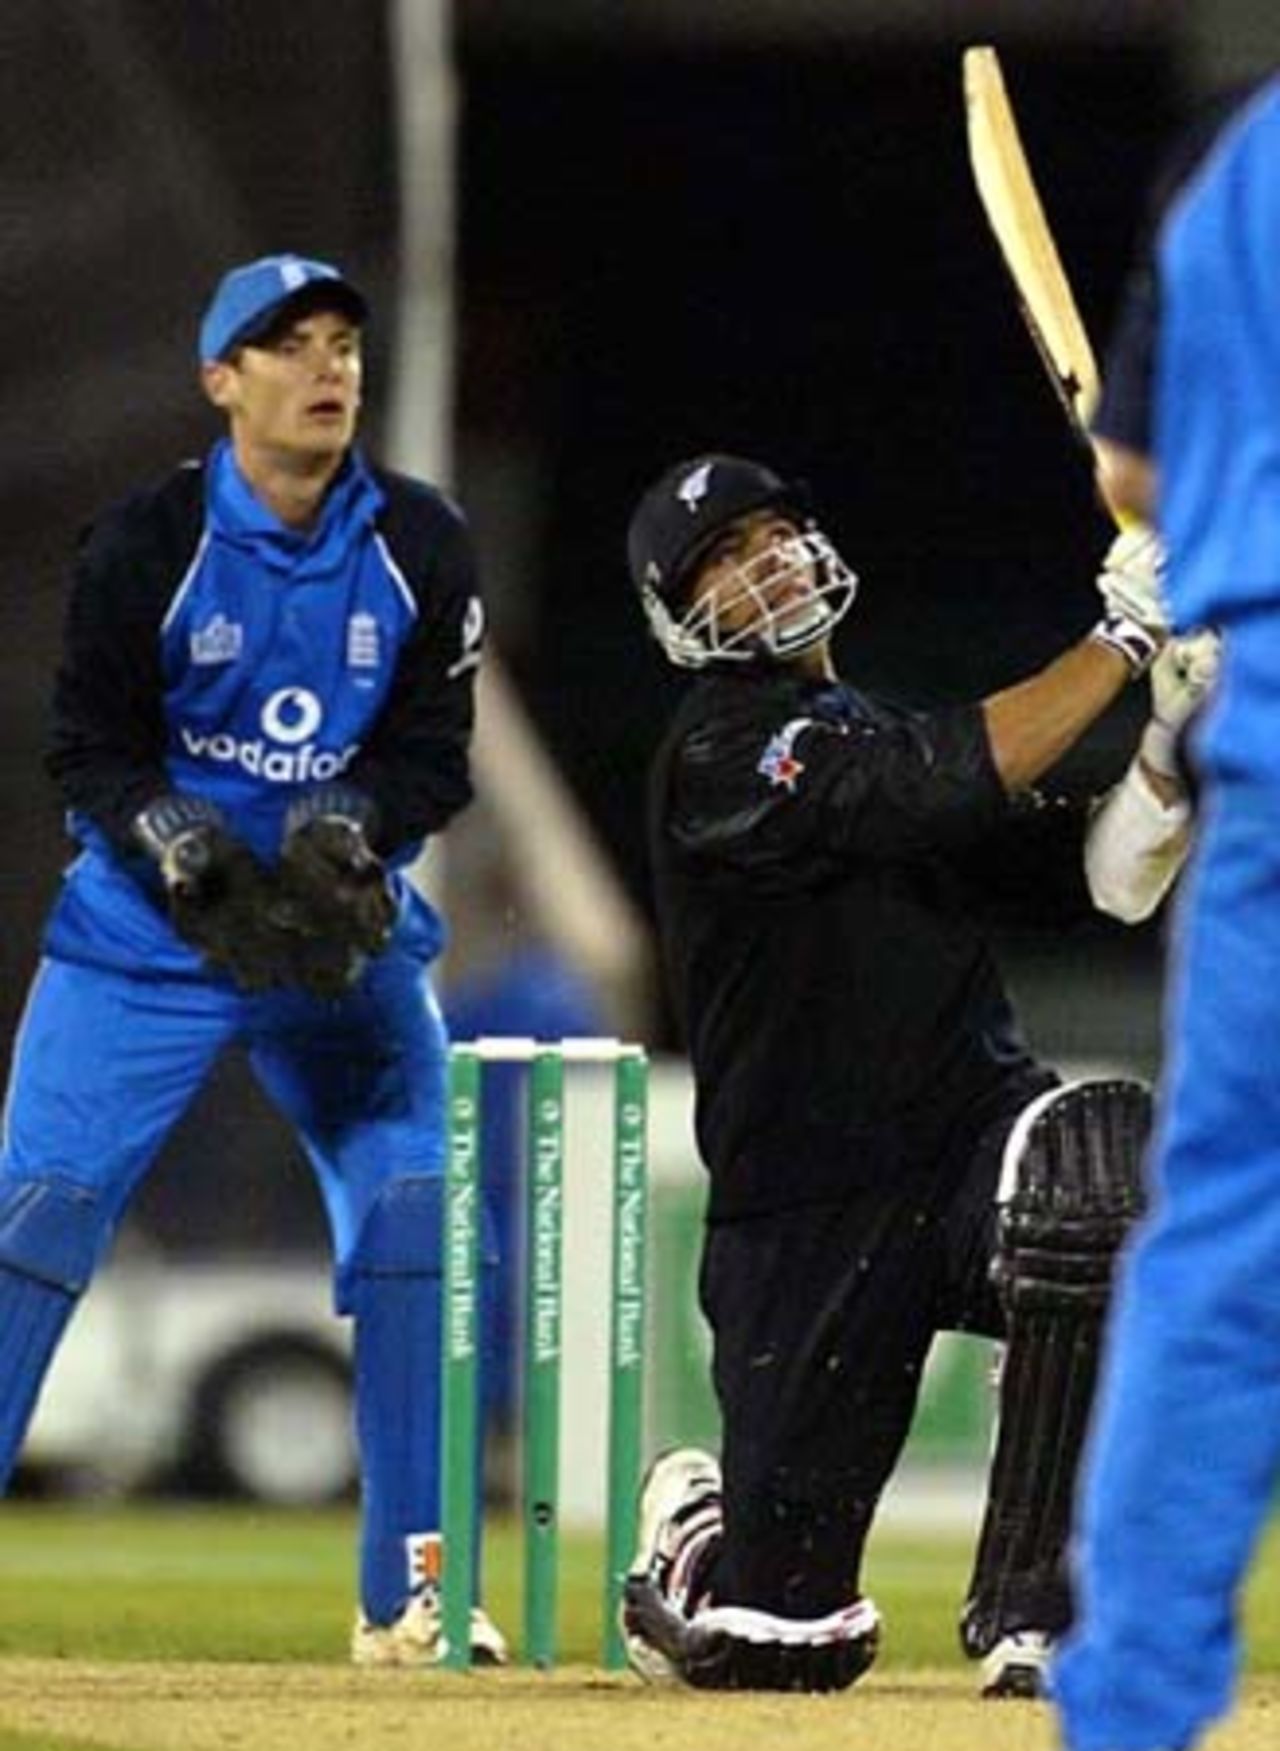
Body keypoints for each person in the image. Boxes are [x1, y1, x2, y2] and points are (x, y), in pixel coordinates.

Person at [616, 452, 1210, 1696]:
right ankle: (701, 1545)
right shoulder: (718, 755)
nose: (757, 561)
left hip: (963, 1150)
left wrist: (1163, 730)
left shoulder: (881, 732)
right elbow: (935, 777)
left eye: (771, 531)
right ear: (676, 614)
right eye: (717, 558)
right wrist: (1116, 636)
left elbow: (1107, 878)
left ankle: (1037, 1617)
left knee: (1098, 1173)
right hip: (804, 1211)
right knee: (781, 1644)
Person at [0, 253, 505, 1667]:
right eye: (288, 348)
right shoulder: (147, 542)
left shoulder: (422, 543)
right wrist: (171, 835)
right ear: (222, 380)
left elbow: (429, 756)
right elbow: (90, 744)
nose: (327, 367)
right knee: (32, 1226)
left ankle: (413, 1590)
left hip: (336, 945)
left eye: (342, 342)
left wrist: (356, 825)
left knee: (416, 1219)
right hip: (141, 943)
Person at [1054, 76, 1280, 1751]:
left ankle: (1124, 1721)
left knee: (1217, 1250)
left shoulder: (1233, 150)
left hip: (1270, 724)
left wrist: (1197, 565)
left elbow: (1135, 456)